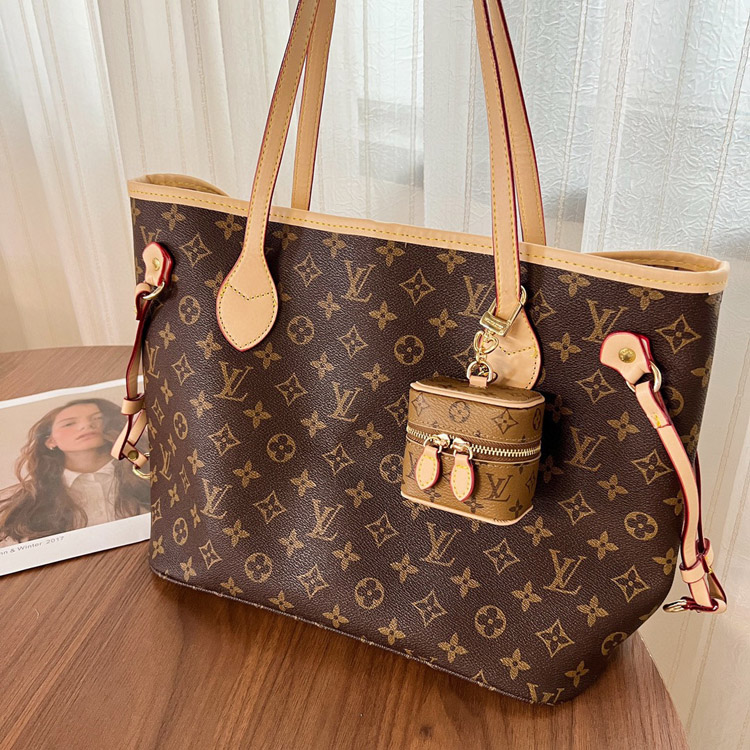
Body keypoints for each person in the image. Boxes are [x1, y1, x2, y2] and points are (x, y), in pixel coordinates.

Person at [0, 398, 150, 546]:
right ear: (50, 441)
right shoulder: (23, 500)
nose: (86, 425)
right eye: (69, 424)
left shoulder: (150, 473)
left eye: (98, 418)